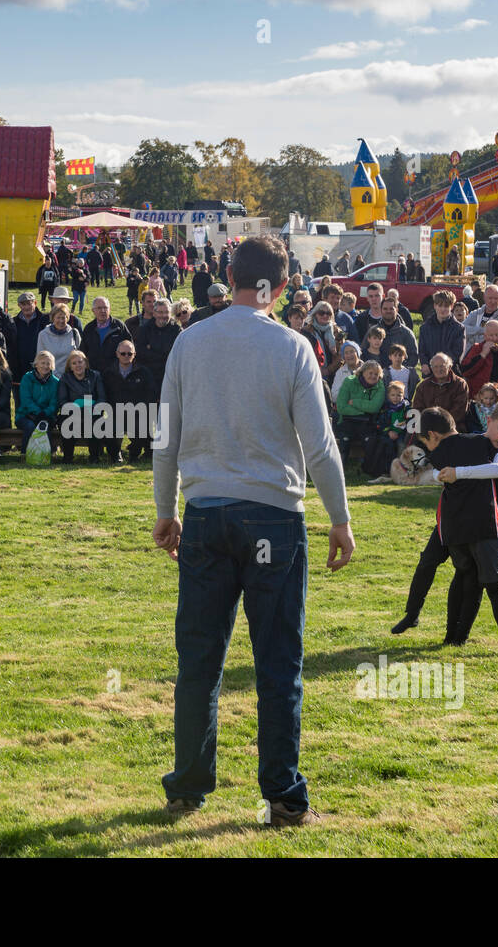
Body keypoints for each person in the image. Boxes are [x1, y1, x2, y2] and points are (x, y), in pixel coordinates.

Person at [152, 234, 353, 826]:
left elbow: (166, 439)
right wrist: (339, 517)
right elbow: (319, 446)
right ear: (282, 286)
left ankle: (188, 786)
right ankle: (285, 798)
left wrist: (167, 509)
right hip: (274, 516)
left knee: (199, 660)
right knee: (277, 663)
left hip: (208, 512)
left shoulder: (190, 343)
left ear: (229, 275)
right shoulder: (292, 347)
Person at [393, 400, 498, 644]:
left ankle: (472, 639)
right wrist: (438, 475)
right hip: (452, 519)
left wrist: (458, 473)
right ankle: (425, 622)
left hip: (484, 521)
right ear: (489, 420)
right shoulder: (469, 442)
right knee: (449, 570)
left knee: (481, 582)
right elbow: (433, 472)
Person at [102, 340, 154, 463]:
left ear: (134, 354)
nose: (126, 356)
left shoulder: (144, 372)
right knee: (109, 427)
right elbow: (104, 393)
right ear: (117, 354)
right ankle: (115, 455)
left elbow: (150, 393)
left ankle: (134, 455)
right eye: (123, 353)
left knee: (142, 427)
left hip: (136, 412)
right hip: (115, 412)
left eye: (129, 354)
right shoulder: (109, 372)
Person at [57, 350, 106, 463]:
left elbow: (102, 398)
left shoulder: (95, 376)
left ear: (85, 363)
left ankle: (94, 457)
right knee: (66, 422)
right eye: (74, 363)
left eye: (80, 362)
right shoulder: (65, 378)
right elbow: (62, 401)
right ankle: (68, 457)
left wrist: (92, 408)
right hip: (72, 412)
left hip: (93, 411)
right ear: (70, 366)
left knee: (95, 422)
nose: (78, 365)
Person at [460, 320, 498, 397]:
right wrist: (482, 354)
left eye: (497, 335)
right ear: (485, 336)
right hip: (480, 398)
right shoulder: (476, 348)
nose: (494, 339)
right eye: (491, 335)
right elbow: (465, 371)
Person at [413, 353, 469, 430]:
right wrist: (429, 424)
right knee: (408, 439)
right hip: (428, 428)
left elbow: (459, 411)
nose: (439, 370)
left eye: (442, 366)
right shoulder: (423, 386)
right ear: (431, 368)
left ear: (449, 367)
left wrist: (441, 425)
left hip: (452, 428)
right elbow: (417, 409)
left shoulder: (460, 384)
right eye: (435, 367)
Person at [16, 348, 60, 447]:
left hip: (47, 415)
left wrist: (45, 413)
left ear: (52, 366)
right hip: (26, 415)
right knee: (30, 426)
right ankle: (25, 454)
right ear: (36, 364)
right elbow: (26, 400)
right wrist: (38, 412)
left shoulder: (56, 382)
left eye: (48, 363)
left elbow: (55, 403)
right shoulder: (27, 378)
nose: (45, 366)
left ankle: (47, 453)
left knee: (45, 425)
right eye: (42, 363)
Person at [418, 291, 464, 378]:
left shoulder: (459, 328)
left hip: (450, 373)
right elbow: (422, 350)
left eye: (446, 306)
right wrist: (424, 363)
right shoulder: (425, 327)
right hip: (430, 373)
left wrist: (441, 366)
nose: (443, 309)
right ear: (435, 306)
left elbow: (457, 351)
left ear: (452, 306)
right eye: (440, 306)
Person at [80, 297, 132, 373]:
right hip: (93, 374)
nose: (103, 311)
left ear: (109, 309)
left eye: (105, 308)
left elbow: (130, 347)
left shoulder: (119, 326)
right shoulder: (89, 328)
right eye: (99, 308)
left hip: (115, 374)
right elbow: (83, 351)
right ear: (93, 311)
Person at [463, 285, 498, 351]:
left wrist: (471, 340)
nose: (493, 302)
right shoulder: (477, 313)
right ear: (484, 297)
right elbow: (461, 329)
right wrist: (480, 330)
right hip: (472, 356)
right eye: (490, 298)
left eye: (496, 298)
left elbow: (497, 341)